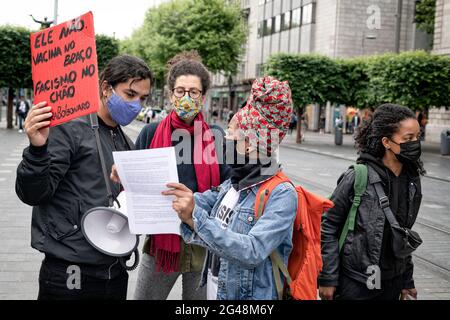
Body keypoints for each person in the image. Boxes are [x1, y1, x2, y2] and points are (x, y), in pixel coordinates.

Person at [15, 55, 153, 300]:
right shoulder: (69, 128)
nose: (137, 105)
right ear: (105, 88)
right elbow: (33, 193)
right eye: (130, 94)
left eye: (142, 98)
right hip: (69, 274)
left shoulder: (126, 143)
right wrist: (37, 150)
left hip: (114, 271)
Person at [162, 76, 298, 300]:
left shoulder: (282, 194)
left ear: (251, 142)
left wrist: (195, 217)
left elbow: (252, 250)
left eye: (231, 132)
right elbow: (197, 201)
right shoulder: (234, 184)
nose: (224, 138)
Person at [129, 51, 231, 300]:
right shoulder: (151, 133)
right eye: (180, 91)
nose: (186, 97)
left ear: (203, 97)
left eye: (193, 92)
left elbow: (230, 188)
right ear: (170, 94)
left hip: (205, 243)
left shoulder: (217, 137)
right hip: (162, 245)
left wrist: (198, 201)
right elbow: (133, 184)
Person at [319, 104, 424, 300]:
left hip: (393, 282)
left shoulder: (412, 180)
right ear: (386, 142)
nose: (415, 143)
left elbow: (402, 232)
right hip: (357, 281)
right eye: (408, 138)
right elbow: (329, 226)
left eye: (418, 137)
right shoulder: (358, 176)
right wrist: (328, 277)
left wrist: (407, 281)